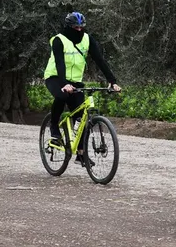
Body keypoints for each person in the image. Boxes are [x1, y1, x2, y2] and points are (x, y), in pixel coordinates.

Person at [43, 12, 121, 163]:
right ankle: (53, 127)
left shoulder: (87, 39)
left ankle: (81, 153)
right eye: (75, 27)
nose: (79, 30)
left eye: (81, 27)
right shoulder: (59, 40)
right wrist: (64, 83)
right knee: (62, 96)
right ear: (68, 27)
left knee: (80, 117)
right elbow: (59, 63)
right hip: (55, 77)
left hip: (76, 81)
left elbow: (99, 60)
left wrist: (112, 81)